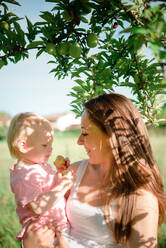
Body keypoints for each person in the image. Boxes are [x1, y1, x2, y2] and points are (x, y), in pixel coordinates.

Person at [22, 93, 166, 248]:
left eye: (85, 133)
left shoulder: (140, 197)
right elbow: (44, 214)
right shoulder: (75, 172)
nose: (79, 141)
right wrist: (28, 243)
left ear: (111, 136)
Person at [7, 112, 72, 247]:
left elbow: (49, 188)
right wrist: (62, 187)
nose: (50, 149)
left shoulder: (40, 165)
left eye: (50, 144)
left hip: (57, 227)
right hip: (43, 231)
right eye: (44, 145)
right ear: (23, 146)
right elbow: (37, 207)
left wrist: (59, 174)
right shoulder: (23, 175)